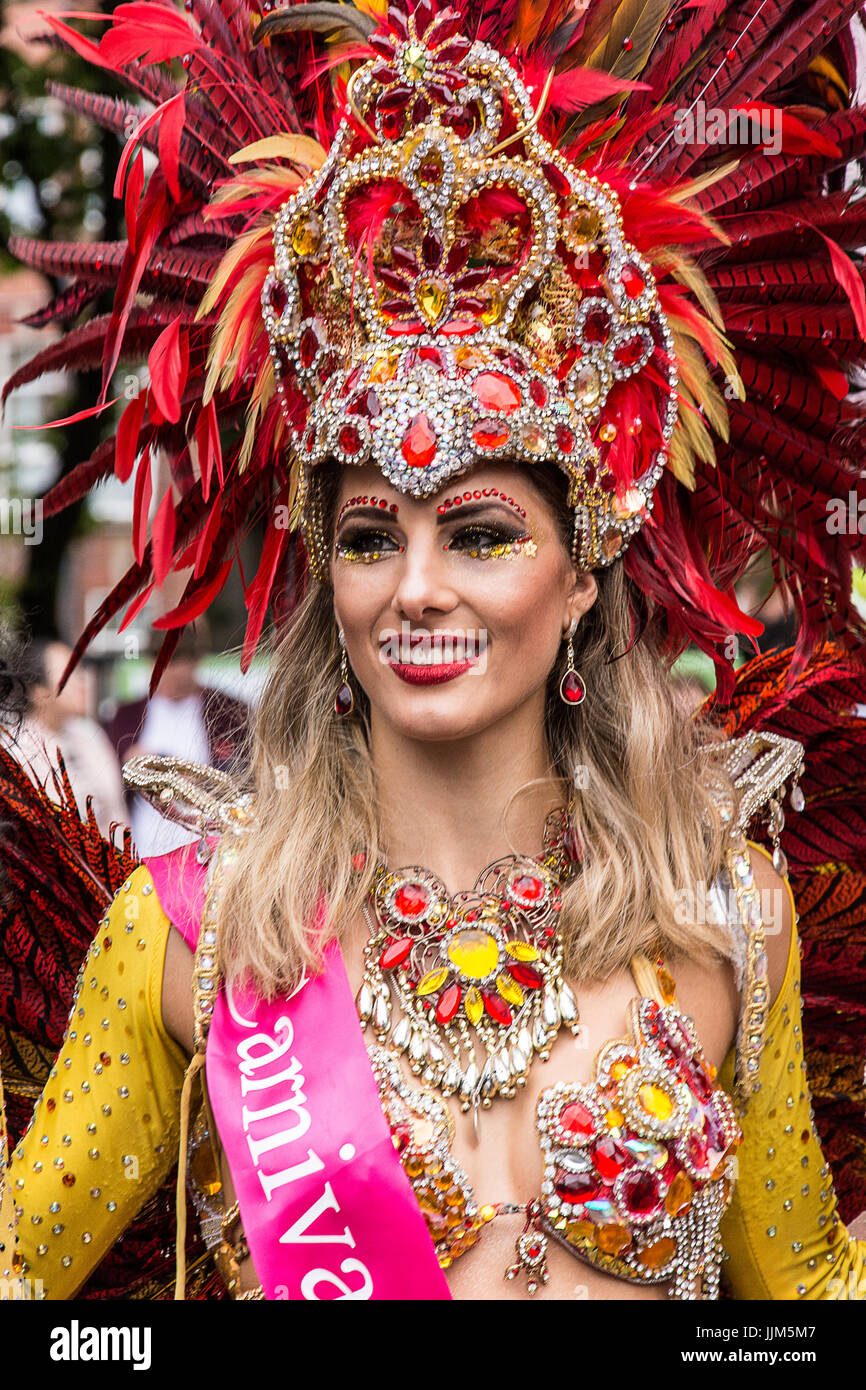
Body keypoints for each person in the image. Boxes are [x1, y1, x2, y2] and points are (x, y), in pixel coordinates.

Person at [2, 0, 866, 1304]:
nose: (413, 590)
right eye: (366, 539)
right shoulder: (194, 930)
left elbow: (796, 1293)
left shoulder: (728, 917)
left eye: (477, 533)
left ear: (580, 573)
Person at [102, 629, 249, 855]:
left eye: (179, 662)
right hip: (143, 845)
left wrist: (197, 781)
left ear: (197, 660)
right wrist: (129, 765)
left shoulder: (229, 712)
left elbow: (248, 778)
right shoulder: (126, 716)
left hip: (212, 846)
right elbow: (105, 781)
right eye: (164, 664)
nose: (171, 672)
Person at [1, 638, 128, 842]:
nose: (83, 682)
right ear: (39, 692)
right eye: (69, 674)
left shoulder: (90, 734)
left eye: (80, 670)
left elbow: (118, 813)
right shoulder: (17, 753)